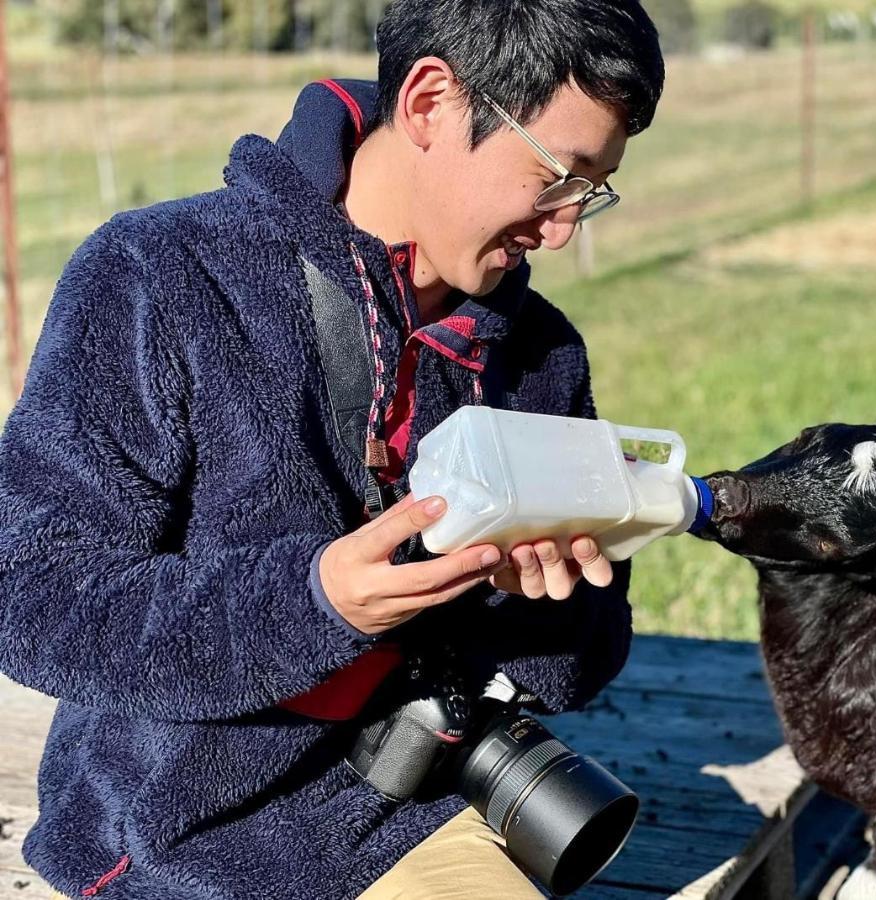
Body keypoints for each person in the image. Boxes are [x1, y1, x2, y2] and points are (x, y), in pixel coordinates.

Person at [0, 2, 665, 897]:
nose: (563, 229)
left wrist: (538, 606)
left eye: (594, 190)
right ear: (430, 101)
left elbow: (578, 661)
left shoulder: (540, 351)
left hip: (412, 812)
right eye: (559, 177)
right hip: (174, 837)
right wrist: (317, 602)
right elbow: (34, 593)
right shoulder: (160, 274)